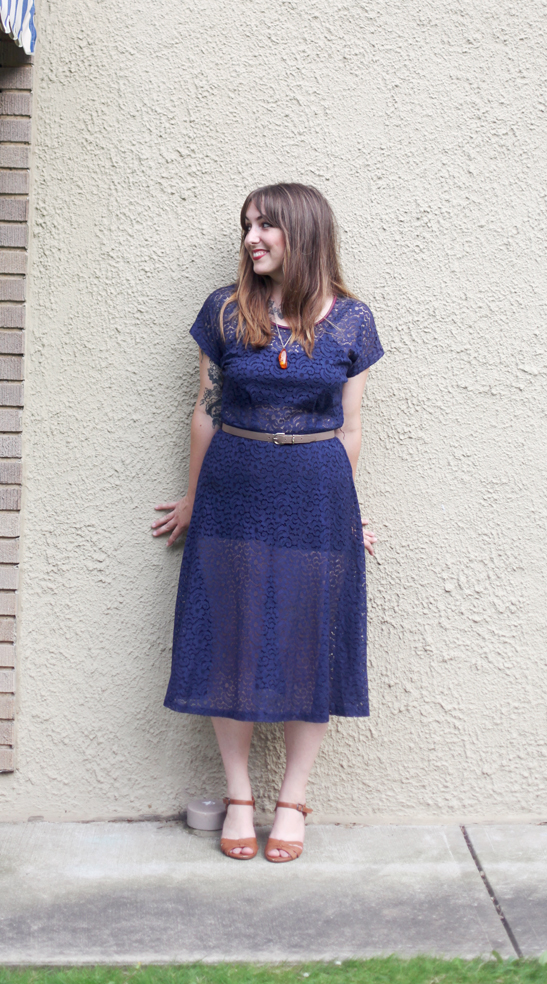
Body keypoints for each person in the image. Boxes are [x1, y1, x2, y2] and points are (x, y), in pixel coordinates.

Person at [152, 182, 383, 862]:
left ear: (303, 234)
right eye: (247, 226)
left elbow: (351, 428)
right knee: (233, 636)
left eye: (266, 226)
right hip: (234, 487)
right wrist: (193, 498)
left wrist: (347, 514)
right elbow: (205, 411)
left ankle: (291, 800)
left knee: (309, 641)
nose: (252, 238)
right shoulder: (225, 311)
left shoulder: (353, 320)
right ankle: (238, 796)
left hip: (317, 493)